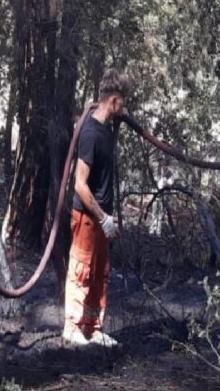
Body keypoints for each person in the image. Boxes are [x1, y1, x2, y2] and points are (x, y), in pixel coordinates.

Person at [62, 69, 134, 347]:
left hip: (102, 215)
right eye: (123, 101)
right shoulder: (91, 132)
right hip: (88, 215)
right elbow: (80, 184)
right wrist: (103, 217)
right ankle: (72, 327)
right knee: (82, 269)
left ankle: (92, 328)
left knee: (100, 272)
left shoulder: (106, 128)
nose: (124, 107)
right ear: (114, 100)